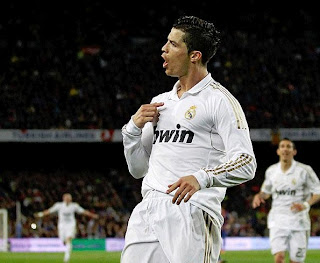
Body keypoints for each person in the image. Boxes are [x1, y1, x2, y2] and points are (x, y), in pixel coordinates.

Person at [121, 15, 257, 263]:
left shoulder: (219, 101)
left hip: (192, 211)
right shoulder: (159, 103)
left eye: (173, 44)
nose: (164, 49)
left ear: (194, 55)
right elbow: (138, 169)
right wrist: (131, 130)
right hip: (148, 209)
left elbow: (246, 162)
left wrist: (201, 177)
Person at [252, 138, 320, 263]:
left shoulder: (305, 170)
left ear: (294, 151)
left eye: (288, 146)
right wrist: (259, 196)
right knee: (279, 258)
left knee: (295, 261)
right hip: (277, 219)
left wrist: (305, 204)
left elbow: (317, 192)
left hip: (298, 221)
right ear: (278, 151)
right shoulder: (271, 171)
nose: (285, 149)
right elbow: (266, 192)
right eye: (282, 146)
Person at [34, 193, 98, 262]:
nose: (67, 199)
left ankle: (66, 258)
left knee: (68, 239)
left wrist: (92, 215)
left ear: (71, 199)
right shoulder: (59, 205)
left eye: (69, 198)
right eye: (66, 198)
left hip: (71, 225)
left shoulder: (74, 206)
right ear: (63, 199)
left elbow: (83, 211)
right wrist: (40, 214)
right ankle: (66, 244)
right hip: (62, 225)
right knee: (63, 240)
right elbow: (49, 211)